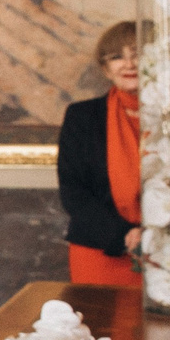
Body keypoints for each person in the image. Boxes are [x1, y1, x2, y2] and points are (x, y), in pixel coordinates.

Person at [57, 21, 143, 288]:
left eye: (139, 54)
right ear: (106, 69)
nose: (129, 65)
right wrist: (127, 236)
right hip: (101, 251)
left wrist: (155, 237)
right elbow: (74, 193)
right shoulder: (82, 117)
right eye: (117, 57)